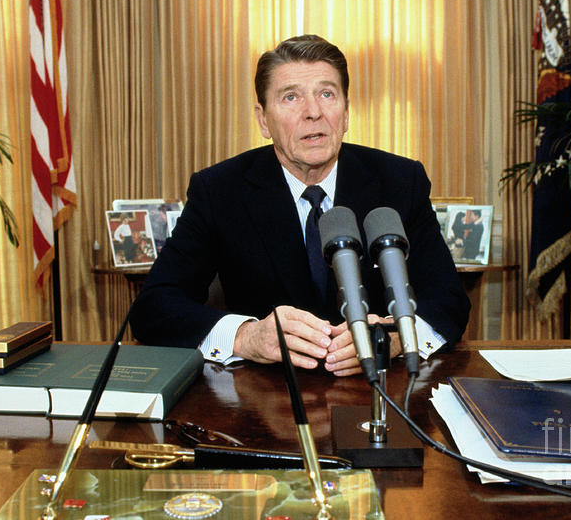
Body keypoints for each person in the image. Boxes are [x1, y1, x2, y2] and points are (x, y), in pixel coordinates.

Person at [129, 34, 470, 376]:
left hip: (379, 391)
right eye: (291, 97)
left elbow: (449, 300)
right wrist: (247, 336)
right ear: (263, 120)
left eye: (327, 94)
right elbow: (155, 306)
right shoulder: (220, 189)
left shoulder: (399, 180)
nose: (314, 112)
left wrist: (394, 339)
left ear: (346, 112)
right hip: (261, 398)